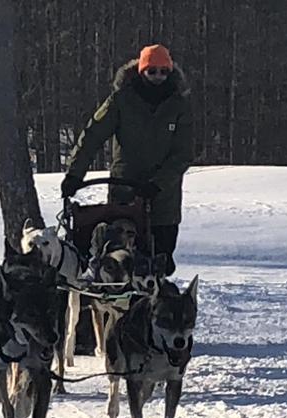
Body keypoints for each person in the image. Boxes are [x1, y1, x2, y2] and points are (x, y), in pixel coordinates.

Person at [61, 44, 193, 276]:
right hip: (125, 195)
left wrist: (159, 183)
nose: (158, 77)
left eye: (164, 71)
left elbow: (183, 154)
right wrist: (74, 173)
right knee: (119, 257)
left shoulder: (178, 106)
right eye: (152, 71)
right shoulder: (121, 101)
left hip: (163, 200)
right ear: (141, 71)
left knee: (158, 263)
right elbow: (92, 135)